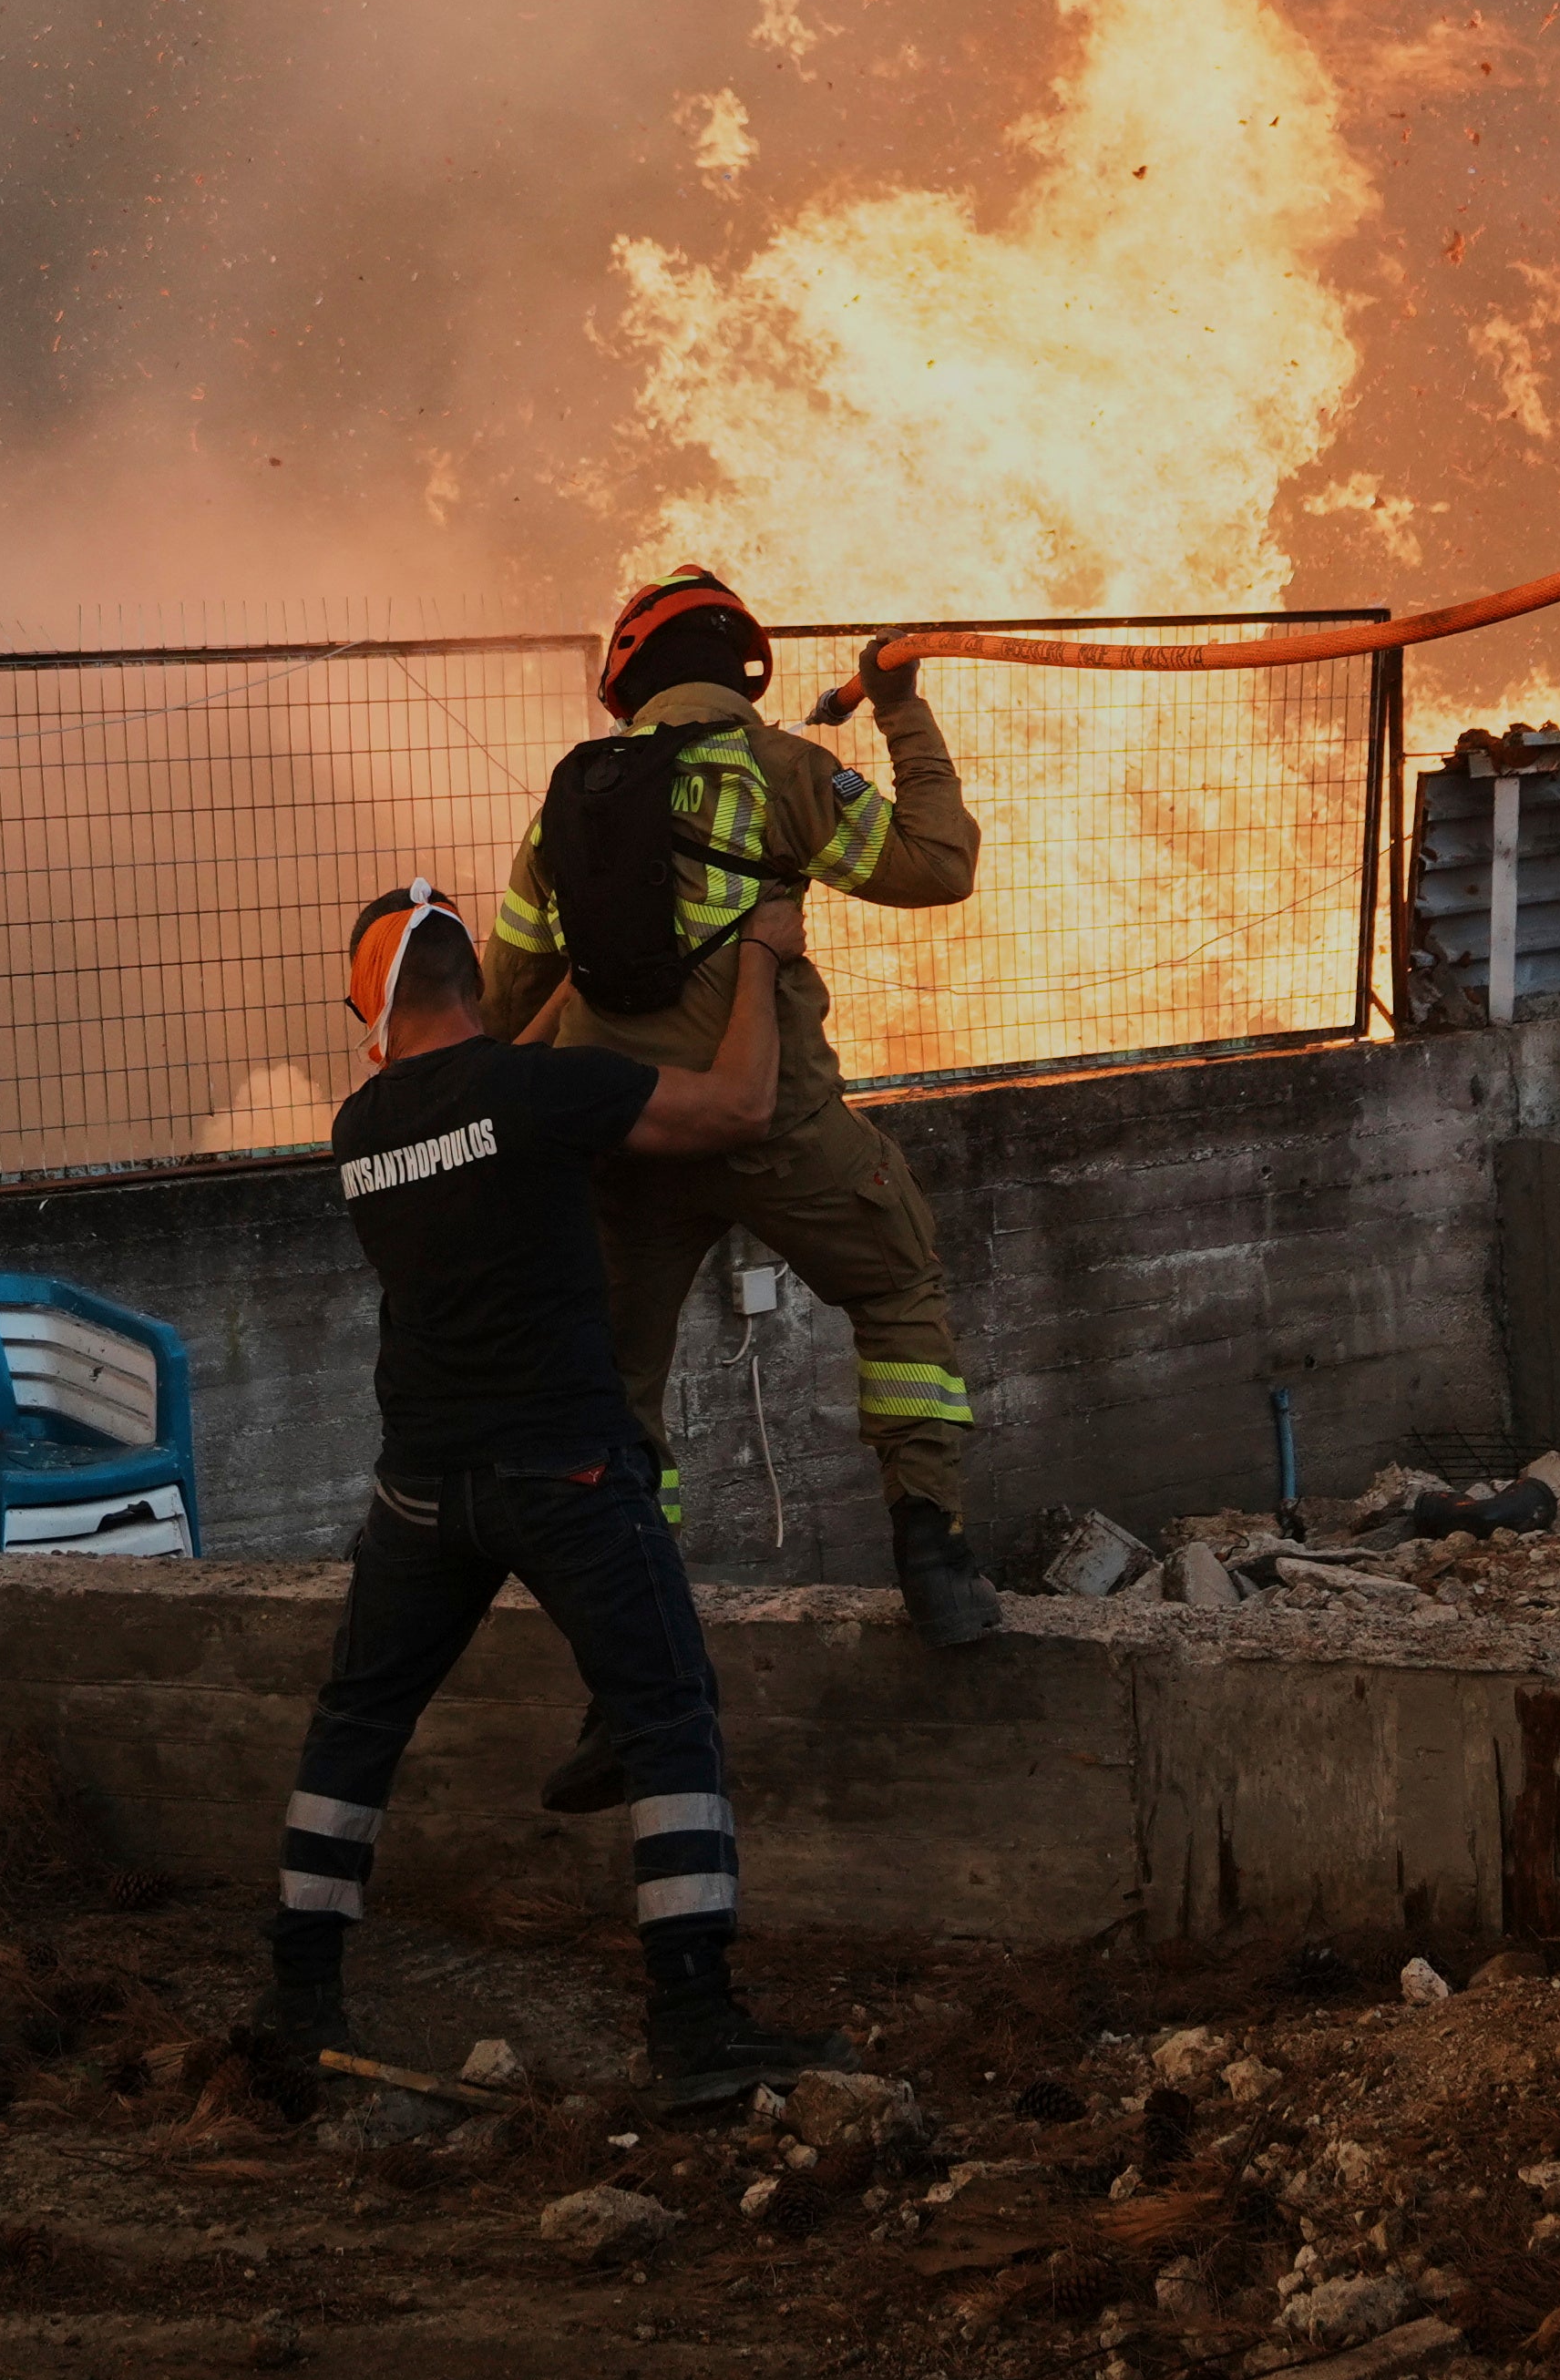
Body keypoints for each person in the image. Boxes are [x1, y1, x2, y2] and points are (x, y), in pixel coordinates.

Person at [251, 878, 855, 2114]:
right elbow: (737, 1103)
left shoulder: (362, 1126)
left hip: (419, 1489)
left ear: (373, 1005)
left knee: (356, 1719)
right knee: (666, 1709)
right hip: (567, 1475)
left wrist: (564, 1000)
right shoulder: (537, 1097)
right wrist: (753, 956)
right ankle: (692, 2023)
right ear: (475, 980)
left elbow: (479, 1095)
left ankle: (297, 1996)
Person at [492, 563, 1002, 1687]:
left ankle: (637, 1614)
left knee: (619, 1381)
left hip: (621, 1142)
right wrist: (904, 711)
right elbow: (940, 866)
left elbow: (507, 997)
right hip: (779, 1131)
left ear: (628, 676)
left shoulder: (564, 800)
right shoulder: (782, 771)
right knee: (895, 1285)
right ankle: (933, 1550)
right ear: (743, 671)